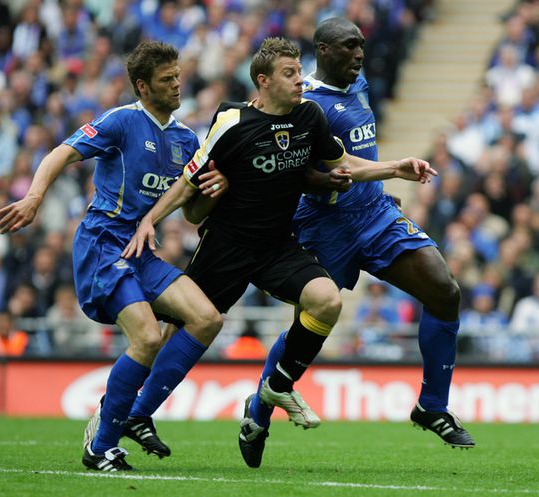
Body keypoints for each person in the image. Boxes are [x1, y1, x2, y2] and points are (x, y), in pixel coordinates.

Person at [121, 37, 435, 466]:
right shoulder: (232, 120)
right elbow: (189, 181)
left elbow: (343, 163)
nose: (300, 80)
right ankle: (131, 414)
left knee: (326, 300)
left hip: (275, 246)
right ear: (264, 81)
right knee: (185, 328)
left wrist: (396, 168)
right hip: (227, 244)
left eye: (299, 71)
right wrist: (149, 220)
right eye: (290, 73)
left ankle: (279, 383)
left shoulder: (310, 116)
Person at [238, 18, 475, 469]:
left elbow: (358, 149)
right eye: (350, 47)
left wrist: (375, 185)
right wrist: (332, 182)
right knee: (305, 331)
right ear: (324, 51)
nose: (360, 54)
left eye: (362, 46)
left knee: (445, 292)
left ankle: (432, 406)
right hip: (324, 226)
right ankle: (258, 414)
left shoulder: (359, 82)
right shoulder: (302, 102)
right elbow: (294, 172)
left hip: (375, 215)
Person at [0, 41, 224, 472]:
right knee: (148, 337)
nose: (177, 85)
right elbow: (61, 152)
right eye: (166, 80)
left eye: (177, 77)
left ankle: (137, 412)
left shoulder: (185, 137)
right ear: (142, 86)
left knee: (207, 319)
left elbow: (192, 211)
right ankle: (101, 446)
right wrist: (34, 196)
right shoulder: (121, 121)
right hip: (104, 243)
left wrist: (212, 192)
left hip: (144, 250)